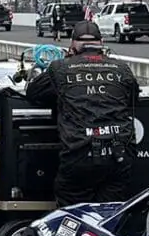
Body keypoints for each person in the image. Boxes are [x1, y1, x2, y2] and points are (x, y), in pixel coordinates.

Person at [24, 19, 142, 205]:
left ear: (72, 44)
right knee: (110, 215)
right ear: (101, 43)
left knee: (73, 215)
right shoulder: (122, 68)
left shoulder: (60, 67)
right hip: (119, 155)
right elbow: (133, 100)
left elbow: (33, 92)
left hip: (80, 154)